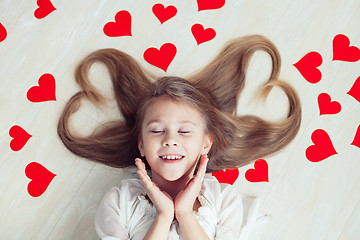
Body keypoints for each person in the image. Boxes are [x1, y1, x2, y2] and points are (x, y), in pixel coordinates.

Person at [57, 35, 301, 239]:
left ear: (205, 143)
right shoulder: (119, 202)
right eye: (156, 130)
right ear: (141, 144)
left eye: (184, 131)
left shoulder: (222, 199)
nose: (170, 140)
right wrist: (163, 216)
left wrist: (184, 214)